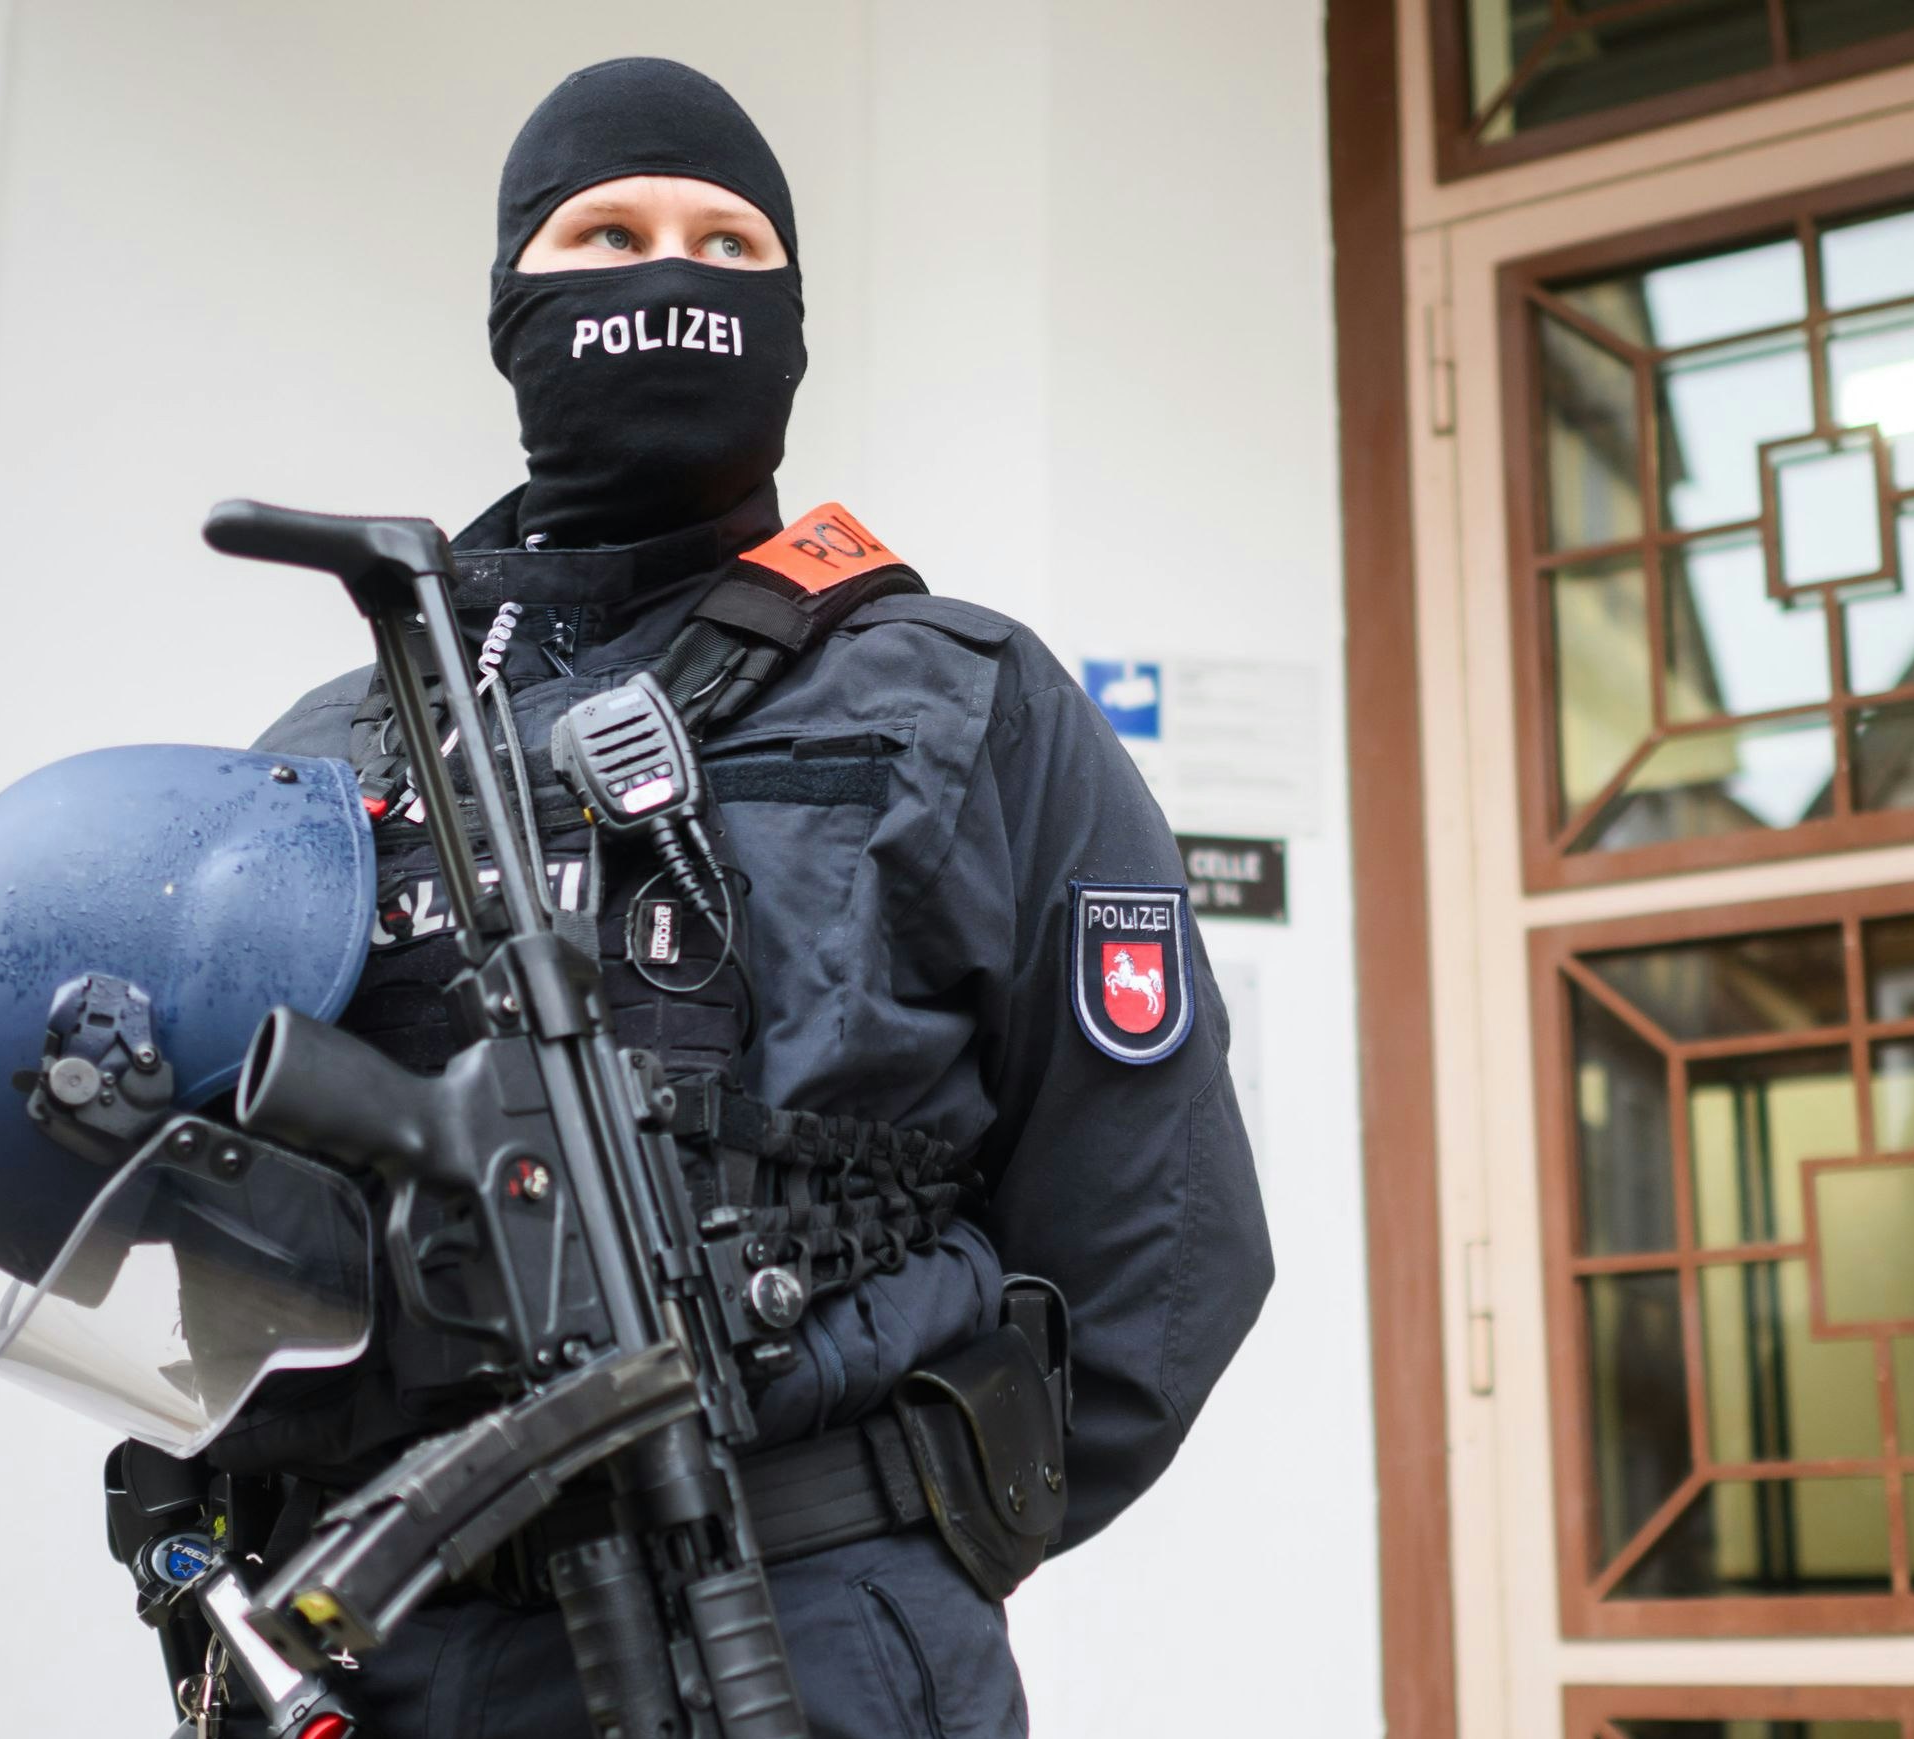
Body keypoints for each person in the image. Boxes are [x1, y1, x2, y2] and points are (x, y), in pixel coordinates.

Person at [215, 56, 1273, 1739]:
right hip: (394, 1659)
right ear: (513, 311)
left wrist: (907, 1544)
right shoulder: (324, 756)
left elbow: (1159, 1235)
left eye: (729, 247)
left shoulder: (964, 697)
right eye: (606, 234)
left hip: (808, 1629)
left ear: (792, 324)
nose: (669, 279)